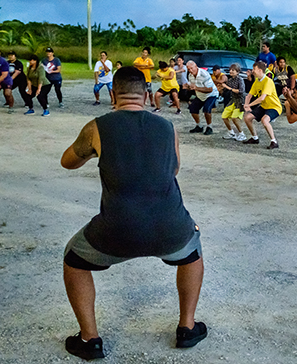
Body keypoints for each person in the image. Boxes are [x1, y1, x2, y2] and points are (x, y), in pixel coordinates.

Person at [59, 66, 207, 360]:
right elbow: (174, 168)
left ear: (113, 94)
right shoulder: (167, 127)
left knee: (73, 258)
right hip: (171, 228)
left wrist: (97, 152)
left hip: (116, 230)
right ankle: (187, 328)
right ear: (147, 95)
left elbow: (68, 162)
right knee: (193, 250)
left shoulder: (97, 127)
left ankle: (89, 340)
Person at [242, 61, 282, 149]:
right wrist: (246, 105)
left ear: (260, 70)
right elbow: (249, 95)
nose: (253, 71)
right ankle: (255, 138)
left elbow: (262, 98)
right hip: (264, 106)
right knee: (247, 117)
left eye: (254, 69)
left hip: (274, 107)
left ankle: (274, 141)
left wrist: (249, 105)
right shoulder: (257, 81)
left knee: (265, 120)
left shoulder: (268, 81)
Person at [185, 60, 219, 135]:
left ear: (196, 66)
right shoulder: (190, 75)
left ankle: (209, 127)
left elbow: (209, 89)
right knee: (192, 108)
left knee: (206, 109)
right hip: (200, 95)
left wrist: (196, 88)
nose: (190, 70)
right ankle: (199, 126)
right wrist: (187, 87)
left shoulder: (204, 74)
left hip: (211, 94)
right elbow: (192, 85)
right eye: (188, 69)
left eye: (191, 68)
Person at [221, 63, 247, 141]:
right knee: (224, 116)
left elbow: (241, 91)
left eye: (233, 70)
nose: (231, 71)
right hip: (232, 101)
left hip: (240, 101)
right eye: (230, 70)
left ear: (238, 72)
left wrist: (228, 88)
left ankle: (241, 134)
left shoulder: (240, 80)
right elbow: (226, 90)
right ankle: (231, 132)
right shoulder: (230, 80)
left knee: (235, 117)